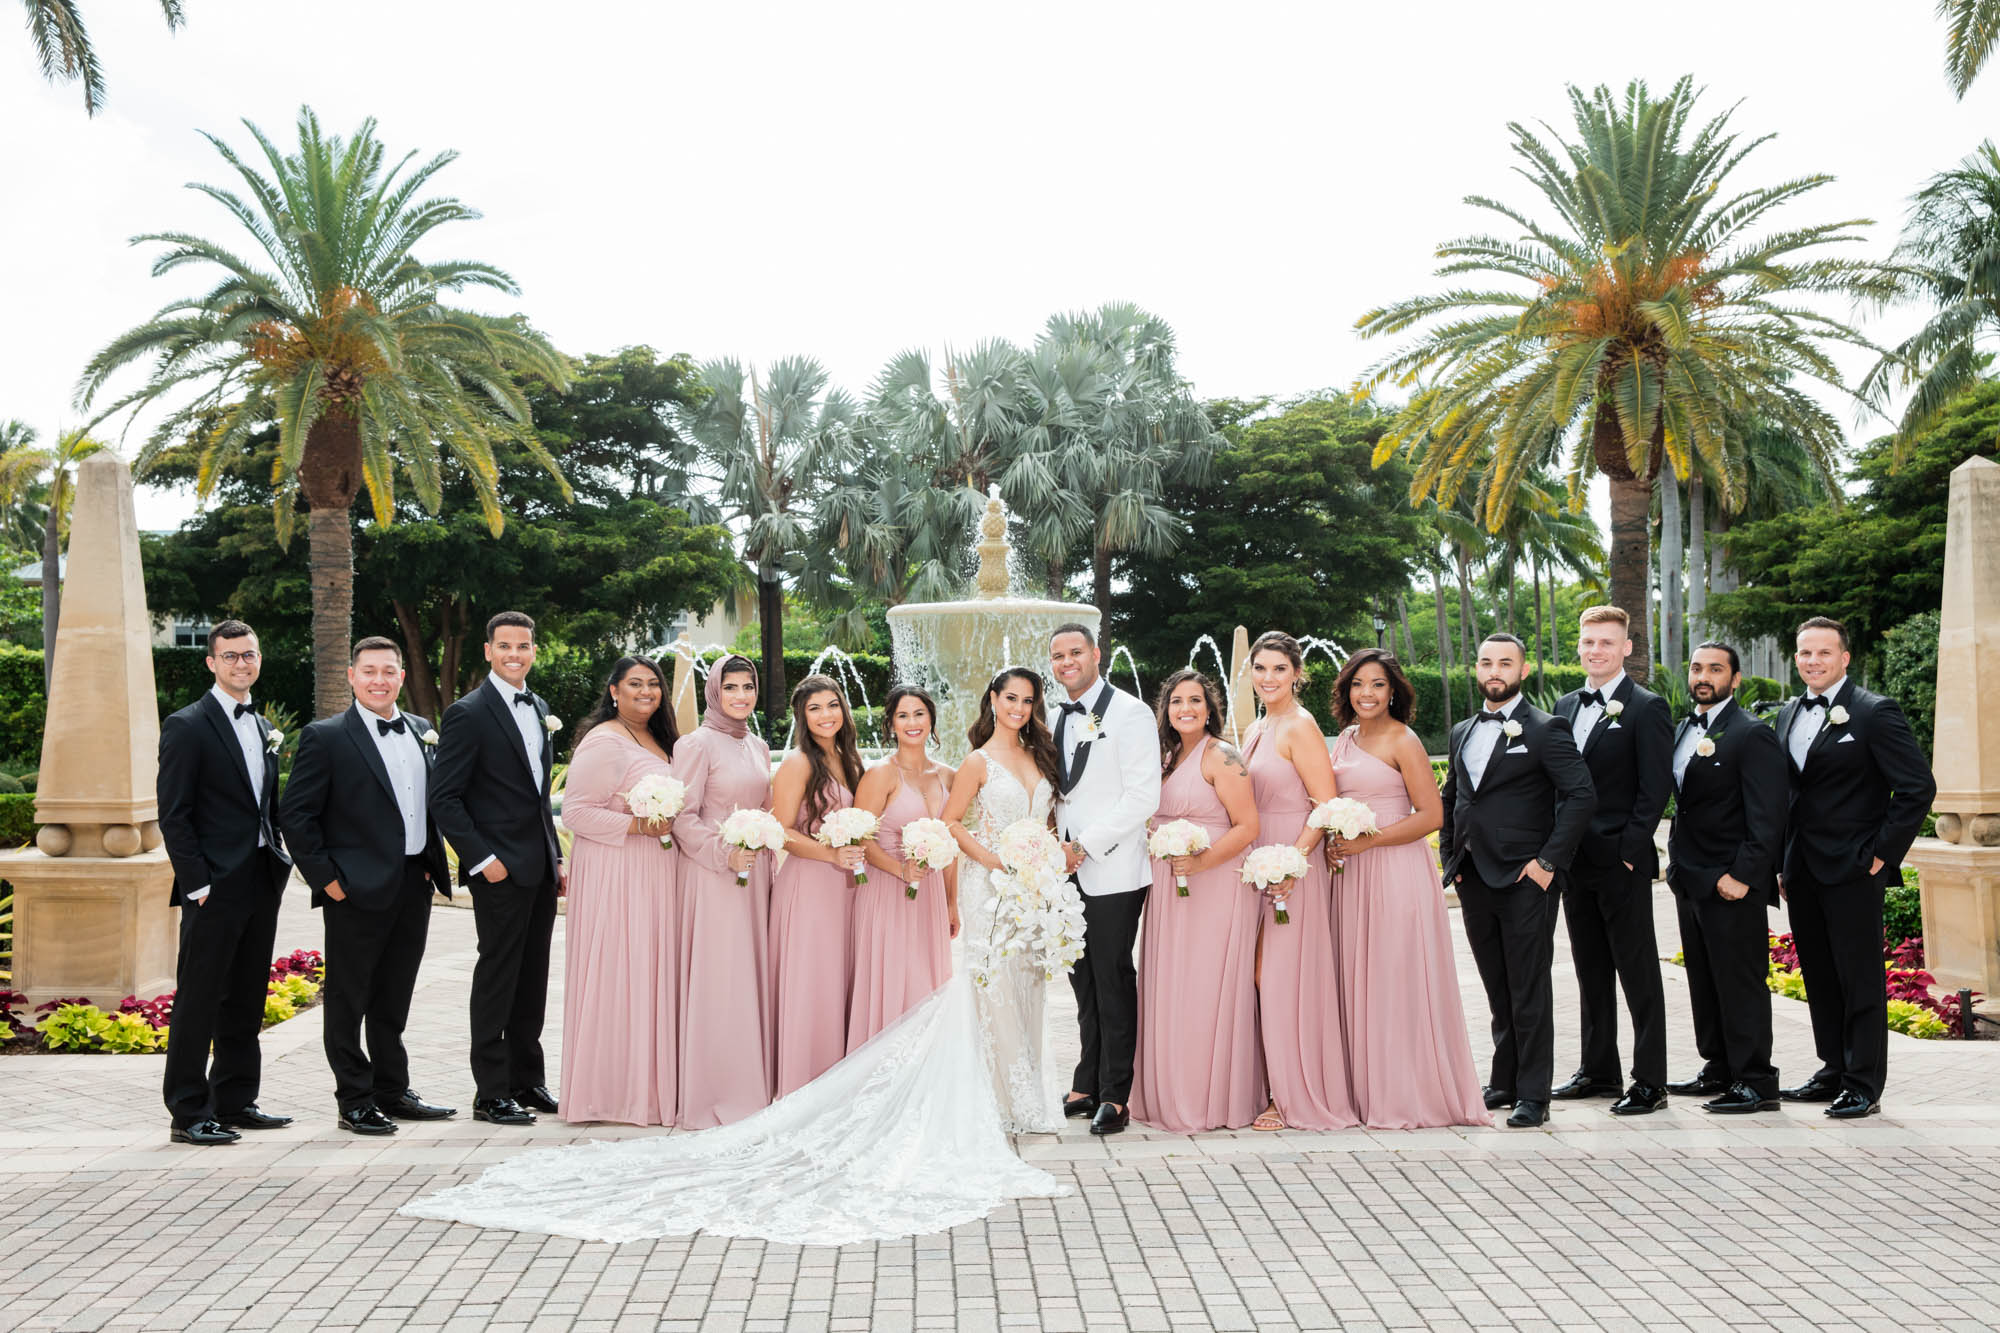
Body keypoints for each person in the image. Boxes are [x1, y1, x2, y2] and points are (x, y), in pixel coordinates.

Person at [278, 635, 454, 1136]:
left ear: (401, 676)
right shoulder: (326, 736)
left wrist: (427, 866)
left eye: (389, 671)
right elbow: (297, 814)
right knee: (348, 999)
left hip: (412, 882)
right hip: (354, 889)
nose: (380, 679)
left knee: (393, 996)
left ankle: (392, 1090)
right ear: (352, 677)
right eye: (370, 671)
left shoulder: (421, 729)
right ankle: (354, 1099)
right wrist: (328, 881)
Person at [1775, 616, 1936, 1118]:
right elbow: (1789, 796)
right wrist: (1781, 861)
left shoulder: (1873, 712)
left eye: (1824, 653)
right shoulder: (1786, 714)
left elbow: (1916, 788)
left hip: (1853, 868)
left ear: (1845, 658)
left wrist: (1881, 855)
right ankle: (1833, 1069)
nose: (1813, 662)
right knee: (1819, 975)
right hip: (1801, 869)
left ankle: (1864, 1082)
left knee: (1859, 976)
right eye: (1805, 653)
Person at [1325, 649, 1489, 1130]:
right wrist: (1336, 842)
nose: (1367, 694)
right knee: (1358, 979)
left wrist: (1368, 841)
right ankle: (1363, 1091)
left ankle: (1404, 1094)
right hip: (1351, 878)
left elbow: (1432, 816)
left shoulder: (1404, 739)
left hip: (1395, 873)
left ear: (1393, 690)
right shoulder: (1345, 739)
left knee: (1394, 978)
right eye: (1358, 684)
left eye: (1377, 684)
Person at [1440, 632, 1596, 1129]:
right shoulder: (1462, 730)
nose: (1495, 670)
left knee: (1529, 987)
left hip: (1526, 878)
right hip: (1473, 875)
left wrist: (1548, 863)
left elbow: (1580, 796)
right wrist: (1450, 857)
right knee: (1496, 986)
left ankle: (1534, 1093)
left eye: (1505, 663)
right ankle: (1503, 1081)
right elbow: (1454, 797)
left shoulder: (1547, 728)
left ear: (1523, 671)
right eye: (1486, 661)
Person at [156, 620, 295, 1145]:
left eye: (250, 654)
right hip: (213, 887)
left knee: (245, 997)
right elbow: (175, 814)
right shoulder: (187, 725)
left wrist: (278, 855)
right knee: (199, 1000)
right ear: (211, 662)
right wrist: (198, 884)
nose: (242, 663)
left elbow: (266, 805)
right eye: (230, 655)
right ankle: (189, 1112)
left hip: (260, 879)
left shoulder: (262, 727)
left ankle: (236, 1100)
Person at [430, 610, 565, 1127]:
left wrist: (555, 855)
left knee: (532, 979)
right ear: (488, 650)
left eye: (524, 645)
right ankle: (490, 1092)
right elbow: (446, 798)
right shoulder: (468, 712)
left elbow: (537, 799)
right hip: (499, 872)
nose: (515, 654)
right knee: (497, 977)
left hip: (539, 869)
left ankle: (527, 1081)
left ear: (534, 650)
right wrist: (483, 861)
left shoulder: (540, 707)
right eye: (505, 645)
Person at [1129, 670, 1263, 1134]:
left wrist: (1202, 862)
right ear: (1165, 710)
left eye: (1195, 701)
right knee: (1173, 987)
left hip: (1215, 883)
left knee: (1207, 989)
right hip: (1170, 887)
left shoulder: (1222, 755)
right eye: (1176, 702)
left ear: (1210, 708)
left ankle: (1210, 1099)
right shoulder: (1165, 757)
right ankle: (1170, 1095)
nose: (1185, 709)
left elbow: (1248, 826)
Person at [1551, 605, 1673, 1115]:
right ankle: (1599, 1069)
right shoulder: (1563, 705)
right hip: (1573, 862)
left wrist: (1629, 852)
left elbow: (1655, 787)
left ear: (1626, 649)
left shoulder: (1645, 707)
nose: (1595, 650)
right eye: (1588, 641)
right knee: (1589, 969)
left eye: (1606, 642)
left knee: (1638, 971)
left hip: (1619, 862)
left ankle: (1650, 1081)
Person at [553, 656, 680, 1125]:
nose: (645, 692)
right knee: (620, 972)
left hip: (656, 870)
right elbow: (577, 813)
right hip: (618, 871)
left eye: (653, 684)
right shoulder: (604, 741)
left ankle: (648, 1083)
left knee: (649, 972)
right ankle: (611, 1092)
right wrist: (638, 826)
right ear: (613, 691)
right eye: (634, 684)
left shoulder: (660, 737)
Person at [1665, 641, 1788, 1114]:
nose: (1704, 676)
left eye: (1715, 669)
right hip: (1691, 879)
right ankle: (1718, 1067)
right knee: (1705, 979)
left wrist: (1743, 874)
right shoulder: (1683, 729)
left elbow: (1769, 814)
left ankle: (1757, 1081)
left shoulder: (1751, 733)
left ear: (1735, 679)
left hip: (1731, 882)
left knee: (1740, 982)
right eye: (1697, 667)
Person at [1241, 630, 1356, 1132]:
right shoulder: (1257, 729)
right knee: (1262, 977)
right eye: (1260, 669)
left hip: (1292, 869)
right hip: (1257, 865)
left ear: (1297, 673)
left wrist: (1292, 862)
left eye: (1279, 669)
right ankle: (1270, 1085)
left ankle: (1292, 1096)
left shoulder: (1300, 726)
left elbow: (1325, 805)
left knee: (1284, 980)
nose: (1268, 678)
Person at [1050, 623, 1162, 1137]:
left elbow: (1142, 797)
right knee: (1081, 979)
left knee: (1112, 976)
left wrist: (1085, 846)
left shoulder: (1131, 713)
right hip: (1063, 870)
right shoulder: (1055, 715)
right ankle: (1087, 1077)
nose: (1066, 662)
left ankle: (1117, 1093)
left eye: (1075, 652)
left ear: (1097, 654)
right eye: (1057, 656)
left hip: (1112, 867)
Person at [941, 667, 1065, 1132]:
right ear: (993, 699)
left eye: (1027, 701)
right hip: (989, 889)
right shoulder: (977, 762)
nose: (1018, 708)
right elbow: (951, 822)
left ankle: (1027, 1091)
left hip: (1032, 888)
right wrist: (993, 860)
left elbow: (1049, 822)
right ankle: (999, 1099)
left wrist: (1050, 861)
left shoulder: (1042, 753)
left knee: (1028, 985)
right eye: (1010, 698)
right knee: (995, 988)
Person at [672, 655, 779, 1128]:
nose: (740, 696)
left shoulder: (757, 744)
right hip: (713, 871)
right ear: (715, 691)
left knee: (749, 973)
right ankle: (715, 1090)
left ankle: (751, 1084)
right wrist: (723, 853)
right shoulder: (695, 744)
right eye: (730, 687)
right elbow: (681, 816)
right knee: (721, 977)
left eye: (748, 687)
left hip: (754, 874)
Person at [769, 676, 867, 1098]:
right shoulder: (798, 764)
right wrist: (830, 855)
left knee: (840, 981)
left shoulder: (850, 759)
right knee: (814, 983)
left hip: (847, 890)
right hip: (810, 886)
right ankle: (803, 1086)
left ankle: (838, 1083)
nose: (826, 715)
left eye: (832, 705)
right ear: (802, 717)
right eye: (815, 709)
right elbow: (779, 830)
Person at [849, 685, 957, 1048]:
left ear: (931, 719)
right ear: (890, 724)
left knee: (927, 983)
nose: (912, 723)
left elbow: (951, 843)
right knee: (893, 979)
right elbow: (861, 839)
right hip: (887, 893)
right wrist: (901, 870)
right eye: (903, 715)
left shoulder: (948, 776)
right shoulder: (880, 774)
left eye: (919, 714)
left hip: (930, 901)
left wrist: (951, 902)